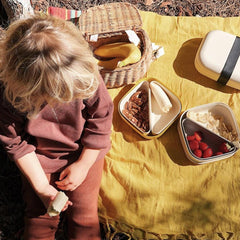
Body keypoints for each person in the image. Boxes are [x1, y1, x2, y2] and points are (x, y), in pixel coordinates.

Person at [0, 14, 113, 240]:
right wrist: (42, 186)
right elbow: (15, 143)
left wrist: (83, 164)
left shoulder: (84, 76)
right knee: (39, 219)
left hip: (83, 152)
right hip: (39, 160)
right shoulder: (11, 95)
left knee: (84, 219)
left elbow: (101, 121)